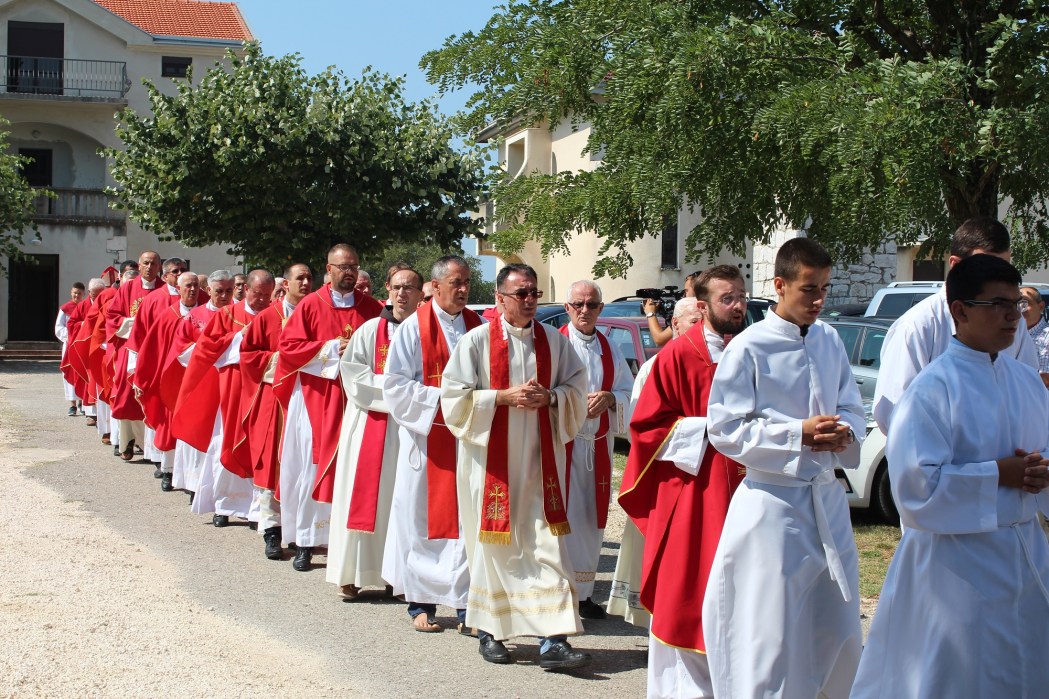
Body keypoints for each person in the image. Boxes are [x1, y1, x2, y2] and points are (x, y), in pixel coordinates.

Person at [851, 254, 1049, 698]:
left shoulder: (1027, 382)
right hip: (957, 567)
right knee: (961, 679)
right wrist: (999, 474)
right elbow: (917, 491)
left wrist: (1041, 474)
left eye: (1016, 304)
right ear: (959, 310)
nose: (1011, 316)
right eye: (997, 304)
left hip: (1023, 555)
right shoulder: (931, 390)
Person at [704, 238, 866, 698]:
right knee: (770, 632)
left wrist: (846, 432)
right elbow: (726, 429)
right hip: (772, 508)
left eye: (825, 289)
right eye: (808, 289)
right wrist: (798, 433)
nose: (818, 300)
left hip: (825, 500)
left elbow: (853, 405)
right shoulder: (749, 347)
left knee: (836, 624)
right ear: (779, 285)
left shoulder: (830, 339)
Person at [442, 263, 592, 671]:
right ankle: (491, 631)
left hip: (541, 464)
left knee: (547, 546)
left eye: (533, 294)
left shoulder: (553, 342)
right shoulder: (475, 342)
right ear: (500, 298)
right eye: (520, 294)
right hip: (491, 468)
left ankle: (553, 639)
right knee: (495, 546)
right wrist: (500, 398)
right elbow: (453, 400)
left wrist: (553, 398)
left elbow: (577, 385)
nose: (529, 301)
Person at [619, 265, 748, 698]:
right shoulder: (676, 356)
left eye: (741, 296)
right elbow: (648, 429)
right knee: (689, 592)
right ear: (704, 304)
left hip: (746, 493)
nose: (738, 306)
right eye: (727, 298)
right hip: (695, 494)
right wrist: (716, 428)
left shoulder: (748, 350)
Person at [382, 255, 484, 632]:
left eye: (467, 283)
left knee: (464, 522)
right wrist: (445, 401)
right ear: (436, 287)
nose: (463, 290)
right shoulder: (412, 329)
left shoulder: (479, 327)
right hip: (427, 443)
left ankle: (464, 604)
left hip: (470, 440)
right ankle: (420, 603)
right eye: (456, 283)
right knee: (420, 518)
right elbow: (394, 385)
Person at [873, 217, 1038, 433]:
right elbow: (897, 416)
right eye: (986, 268)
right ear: (955, 265)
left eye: (1003, 267)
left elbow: (1028, 393)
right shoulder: (917, 326)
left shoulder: (1014, 324)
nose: (999, 277)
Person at [274, 244, 383, 571]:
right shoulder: (310, 305)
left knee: (355, 468)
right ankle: (306, 540)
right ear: (329, 269)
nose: (348, 272)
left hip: (358, 400)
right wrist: (333, 347)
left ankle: (349, 541)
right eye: (342, 267)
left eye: (354, 266)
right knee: (312, 468)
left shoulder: (372, 308)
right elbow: (289, 349)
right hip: (317, 398)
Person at [328, 265, 425, 598]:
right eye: (397, 287)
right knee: (361, 494)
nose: (402, 294)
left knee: (401, 501)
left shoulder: (427, 333)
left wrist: (411, 396)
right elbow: (354, 375)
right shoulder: (371, 330)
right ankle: (352, 572)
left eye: (410, 288)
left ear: (421, 293)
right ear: (387, 289)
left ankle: (395, 576)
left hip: (410, 429)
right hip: (371, 422)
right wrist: (399, 392)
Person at [607, 295, 702, 627]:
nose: (702, 328)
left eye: (706, 320)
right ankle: (656, 626)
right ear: (674, 324)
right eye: (694, 321)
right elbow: (641, 429)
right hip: (662, 477)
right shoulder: (655, 367)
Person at [559, 279, 632, 619]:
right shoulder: (553, 344)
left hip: (596, 448)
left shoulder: (610, 348)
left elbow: (629, 392)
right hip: (562, 448)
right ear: (567, 307)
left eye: (592, 305)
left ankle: (585, 593)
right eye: (578, 304)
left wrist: (611, 398)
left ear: (601, 309)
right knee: (563, 519)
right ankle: (561, 593)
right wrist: (571, 403)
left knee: (591, 519)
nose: (585, 310)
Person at [241, 263, 313, 560]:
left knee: (304, 466)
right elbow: (249, 355)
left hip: (310, 398)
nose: (307, 283)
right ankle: (272, 530)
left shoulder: (317, 314)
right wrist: (284, 360)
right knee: (273, 464)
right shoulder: (268, 317)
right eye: (300, 278)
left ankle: (301, 531)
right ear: (286, 284)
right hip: (276, 401)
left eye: (310, 278)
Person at [164, 270, 235, 499]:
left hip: (230, 384)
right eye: (219, 291)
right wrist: (215, 350)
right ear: (209, 291)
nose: (224, 296)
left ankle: (223, 488)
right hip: (201, 382)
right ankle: (196, 484)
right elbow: (182, 351)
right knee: (199, 431)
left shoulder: (238, 316)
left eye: (228, 291)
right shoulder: (195, 317)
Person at [132, 271, 198, 492]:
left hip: (196, 382)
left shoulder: (203, 314)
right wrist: (143, 376)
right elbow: (151, 349)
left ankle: (191, 477)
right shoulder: (167, 316)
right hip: (171, 381)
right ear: (178, 289)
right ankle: (168, 471)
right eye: (188, 285)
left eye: (196, 285)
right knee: (170, 426)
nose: (192, 289)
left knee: (194, 428)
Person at [125, 257, 188, 475]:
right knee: (162, 412)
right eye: (175, 271)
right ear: (165, 275)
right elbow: (140, 335)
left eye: (183, 270)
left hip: (190, 369)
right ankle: (161, 460)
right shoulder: (153, 300)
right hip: (159, 365)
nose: (180, 274)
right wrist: (135, 367)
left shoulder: (200, 298)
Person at [106, 251, 163, 461]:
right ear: (139, 266)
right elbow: (112, 317)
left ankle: (151, 445)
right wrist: (135, 325)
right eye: (146, 263)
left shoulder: (164, 290)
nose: (149, 267)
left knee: (153, 395)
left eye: (154, 263)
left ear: (159, 267)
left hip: (157, 351)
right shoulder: (128, 288)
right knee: (126, 394)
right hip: (131, 348)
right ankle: (128, 441)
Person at [644, 271, 698, 347]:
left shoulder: (689, 314)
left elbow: (659, 339)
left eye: (686, 291)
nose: (683, 296)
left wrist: (650, 313)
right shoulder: (710, 311)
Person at [57, 282, 85, 416]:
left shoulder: (86, 308)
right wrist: (69, 337)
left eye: (79, 293)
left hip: (81, 345)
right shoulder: (65, 309)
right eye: (74, 293)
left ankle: (82, 402)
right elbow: (59, 327)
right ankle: (72, 404)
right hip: (69, 344)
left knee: (82, 372)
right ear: (71, 292)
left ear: (83, 294)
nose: (76, 295)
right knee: (69, 372)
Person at [1020, 286, 1049, 388]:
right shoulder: (1010, 336)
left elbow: (1046, 379)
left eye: (1025, 303)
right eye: (1016, 303)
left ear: (1041, 307)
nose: (1020, 308)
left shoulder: (1046, 337)